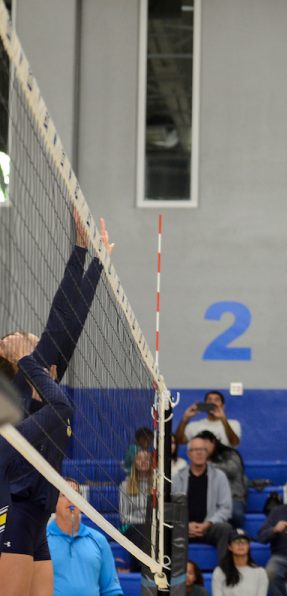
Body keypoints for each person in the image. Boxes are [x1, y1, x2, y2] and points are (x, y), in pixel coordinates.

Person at [0, 216, 112, 596]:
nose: (28, 335)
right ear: (12, 352)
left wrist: (94, 261)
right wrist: (83, 253)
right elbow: (61, 320)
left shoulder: (37, 377)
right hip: (15, 508)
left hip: (36, 511)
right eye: (18, 338)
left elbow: (70, 326)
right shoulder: (21, 379)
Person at [47, 478, 123, 596]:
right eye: (64, 494)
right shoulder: (41, 540)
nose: (71, 498)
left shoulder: (99, 540)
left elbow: (111, 590)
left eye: (75, 494)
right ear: (53, 503)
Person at [173, 436, 233, 560]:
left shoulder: (219, 476)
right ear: (189, 454)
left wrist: (208, 524)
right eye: (195, 449)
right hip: (183, 528)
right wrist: (185, 525)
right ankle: (170, 574)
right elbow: (171, 507)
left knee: (225, 529)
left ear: (207, 453)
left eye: (203, 449)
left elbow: (226, 508)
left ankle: (224, 572)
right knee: (165, 529)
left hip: (209, 527)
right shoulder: (177, 477)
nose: (199, 453)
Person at [197, 430, 248, 529]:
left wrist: (208, 465)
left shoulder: (230, 454)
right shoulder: (200, 461)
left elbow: (232, 469)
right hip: (210, 500)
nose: (201, 450)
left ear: (213, 442)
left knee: (235, 514)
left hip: (234, 497)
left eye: (204, 446)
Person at [119, 449, 153, 571]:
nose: (144, 461)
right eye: (140, 458)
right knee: (143, 530)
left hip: (152, 526)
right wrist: (145, 521)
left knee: (148, 531)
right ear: (134, 463)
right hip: (129, 526)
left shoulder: (158, 484)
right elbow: (124, 517)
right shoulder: (125, 485)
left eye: (147, 459)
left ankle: (140, 566)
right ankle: (145, 566)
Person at [212, 528, 268, 596]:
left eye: (244, 541)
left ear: (249, 546)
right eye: (236, 541)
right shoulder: (219, 571)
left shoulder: (260, 572)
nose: (241, 544)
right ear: (229, 547)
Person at [176, 390, 242, 447]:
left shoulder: (233, 424)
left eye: (216, 400)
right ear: (205, 404)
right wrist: (185, 419)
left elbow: (235, 443)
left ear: (222, 406)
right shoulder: (194, 425)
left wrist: (223, 419)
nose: (212, 402)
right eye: (209, 400)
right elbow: (179, 441)